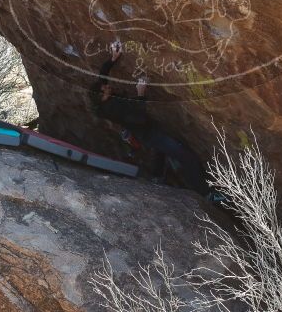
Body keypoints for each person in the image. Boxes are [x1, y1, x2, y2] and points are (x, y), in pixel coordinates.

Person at [89, 42, 215, 198]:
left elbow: (102, 75)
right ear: (102, 98)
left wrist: (113, 59)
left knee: (161, 151)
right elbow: (139, 118)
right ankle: (206, 192)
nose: (107, 87)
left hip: (146, 132)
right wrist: (141, 93)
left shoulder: (102, 102)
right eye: (104, 90)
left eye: (105, 87)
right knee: (184, 154)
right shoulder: (114, 108)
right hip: (148, 133)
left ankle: (157, 176)